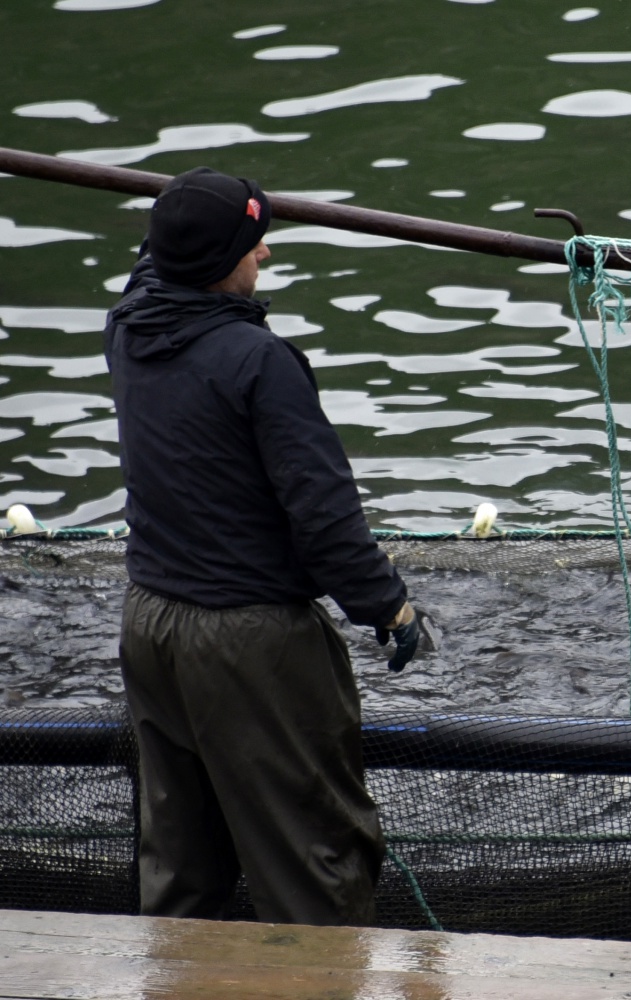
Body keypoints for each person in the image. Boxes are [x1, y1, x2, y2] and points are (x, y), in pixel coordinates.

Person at [104, 166, 422, 926]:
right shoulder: (261, 364)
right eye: (254, 243)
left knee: (181, 867)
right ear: (221, 263)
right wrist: (389, 607)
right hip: (248, 644)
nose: (267, 256)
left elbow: (164, 255)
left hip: (150, 624)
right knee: (312, 867)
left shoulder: (126, 327)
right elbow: (324, 517)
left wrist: (201, 211)